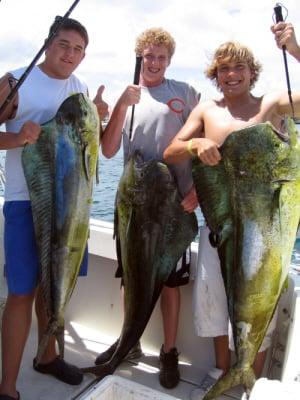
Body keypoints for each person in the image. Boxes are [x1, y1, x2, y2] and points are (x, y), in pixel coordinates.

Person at [163, 21, 300, 400]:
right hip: (219, 230)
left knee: (258, 305)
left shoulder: (272, 105)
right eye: (224, 68)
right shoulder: (207, 110)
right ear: (215, 75)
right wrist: (195, 145)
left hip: (265, 234)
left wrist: (294, 49)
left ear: (252, 73)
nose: (232, 74)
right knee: (215, 306)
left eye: (239, 67)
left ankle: (248, 383)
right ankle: (227, 372)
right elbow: (171, 151)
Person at [0, 17, 108, 400]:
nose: (71, 55)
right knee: (22, 293)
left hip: (71, 207)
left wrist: (98, 113)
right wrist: (16, 137)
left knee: (54, 287)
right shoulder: (16, 80)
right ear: (48, 43)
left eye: (79, 49)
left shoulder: (77, 87)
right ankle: (8, 387)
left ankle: (47, 357)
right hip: (24, 202)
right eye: (64, 45)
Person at [98, 27, 200, 389]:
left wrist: (199, 192)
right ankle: (130, 344)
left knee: (168, 283)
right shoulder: (128, 96)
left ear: (169, 61)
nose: (154, 62)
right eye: (148, 56)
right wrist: (122, 104)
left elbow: (210, 139)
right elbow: (108, 151)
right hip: (134, 206)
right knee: (132, 274)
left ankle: (168, 351)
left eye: (161, 57)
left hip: (173, 211)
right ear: (139, 57)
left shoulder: (184, 93)